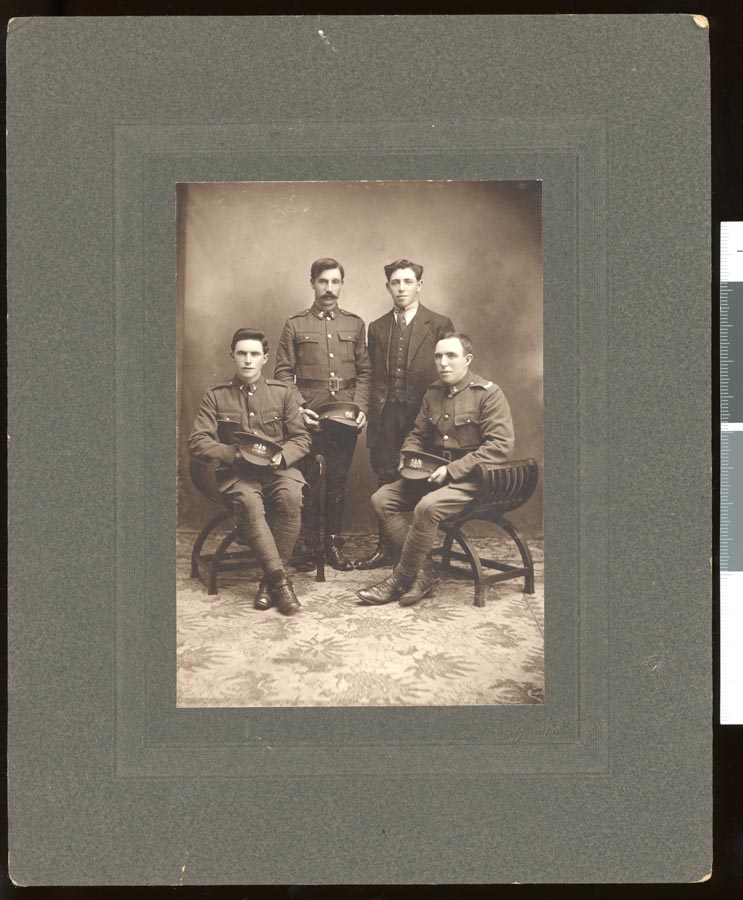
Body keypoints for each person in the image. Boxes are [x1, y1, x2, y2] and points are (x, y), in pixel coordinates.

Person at [357, 332, 514, 607]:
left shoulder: (488, 394)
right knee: (382, 498)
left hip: (472, 481)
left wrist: (453, 470)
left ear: (467, 360)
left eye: (451, 356)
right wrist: (408, 455)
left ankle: (399, 579)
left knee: (426, 507)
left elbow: (499, 447)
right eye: (439, 356)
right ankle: (424, 570)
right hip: (433, 474)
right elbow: (418, 433)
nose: (443, 363)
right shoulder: (433, 393)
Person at [189, 328, 312, 615]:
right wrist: (232, 454)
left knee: (292, 497)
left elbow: (302, 438)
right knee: (248, 501)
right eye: (242, 353)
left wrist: (283, 456)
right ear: (232, 356)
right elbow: (198, 441)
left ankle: (267, 583)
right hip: (238, 474)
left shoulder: (281, 394)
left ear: (265, 358)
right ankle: (280, 583)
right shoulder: (216, 396)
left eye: (254, 354)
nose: (247, 360)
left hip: (277, 470)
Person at [355, 259, 454, 569]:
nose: (401, 288)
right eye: (395, 283)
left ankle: (416, 553)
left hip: (423, 419)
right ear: (388, 287)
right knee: (385, 479)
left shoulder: (438, 324)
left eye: (407, 282)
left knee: (420, 479)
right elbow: (370, 375)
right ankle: (388, 550)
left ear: (419, 286)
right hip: (386, 418)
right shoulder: (377, 327)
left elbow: (448, 372)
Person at [274, 258, 371, 570]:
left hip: (344, 414)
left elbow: (366, 373)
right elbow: (283, 374)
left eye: (335, 282)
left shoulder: (355, 324)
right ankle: (309, 544)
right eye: (323, 282)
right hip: (309, 415)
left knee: (338, 481)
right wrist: (299, 409)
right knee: (309, 480)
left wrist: (360, 409)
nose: (329, 288)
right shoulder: (295, 324)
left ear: (342, 284)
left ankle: (332, 544)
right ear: (312, 283)